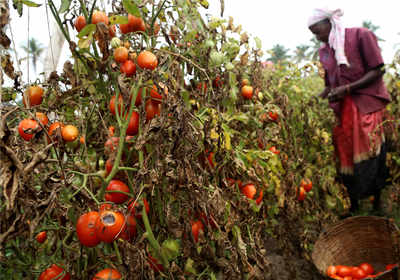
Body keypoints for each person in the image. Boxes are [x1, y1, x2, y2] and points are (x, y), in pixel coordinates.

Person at [307, 8, 391, 215]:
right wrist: (312, 101)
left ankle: (376, 203)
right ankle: (353, 204)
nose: (318, 38)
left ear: (330, 23)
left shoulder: (361, 36)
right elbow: (329, 85)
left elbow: (377, 69)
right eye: (314, 35)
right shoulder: (325, 51)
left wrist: (348, 89)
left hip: (366, 105)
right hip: (343, 111)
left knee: (370, 150)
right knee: (345, 153)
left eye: (318, 32)